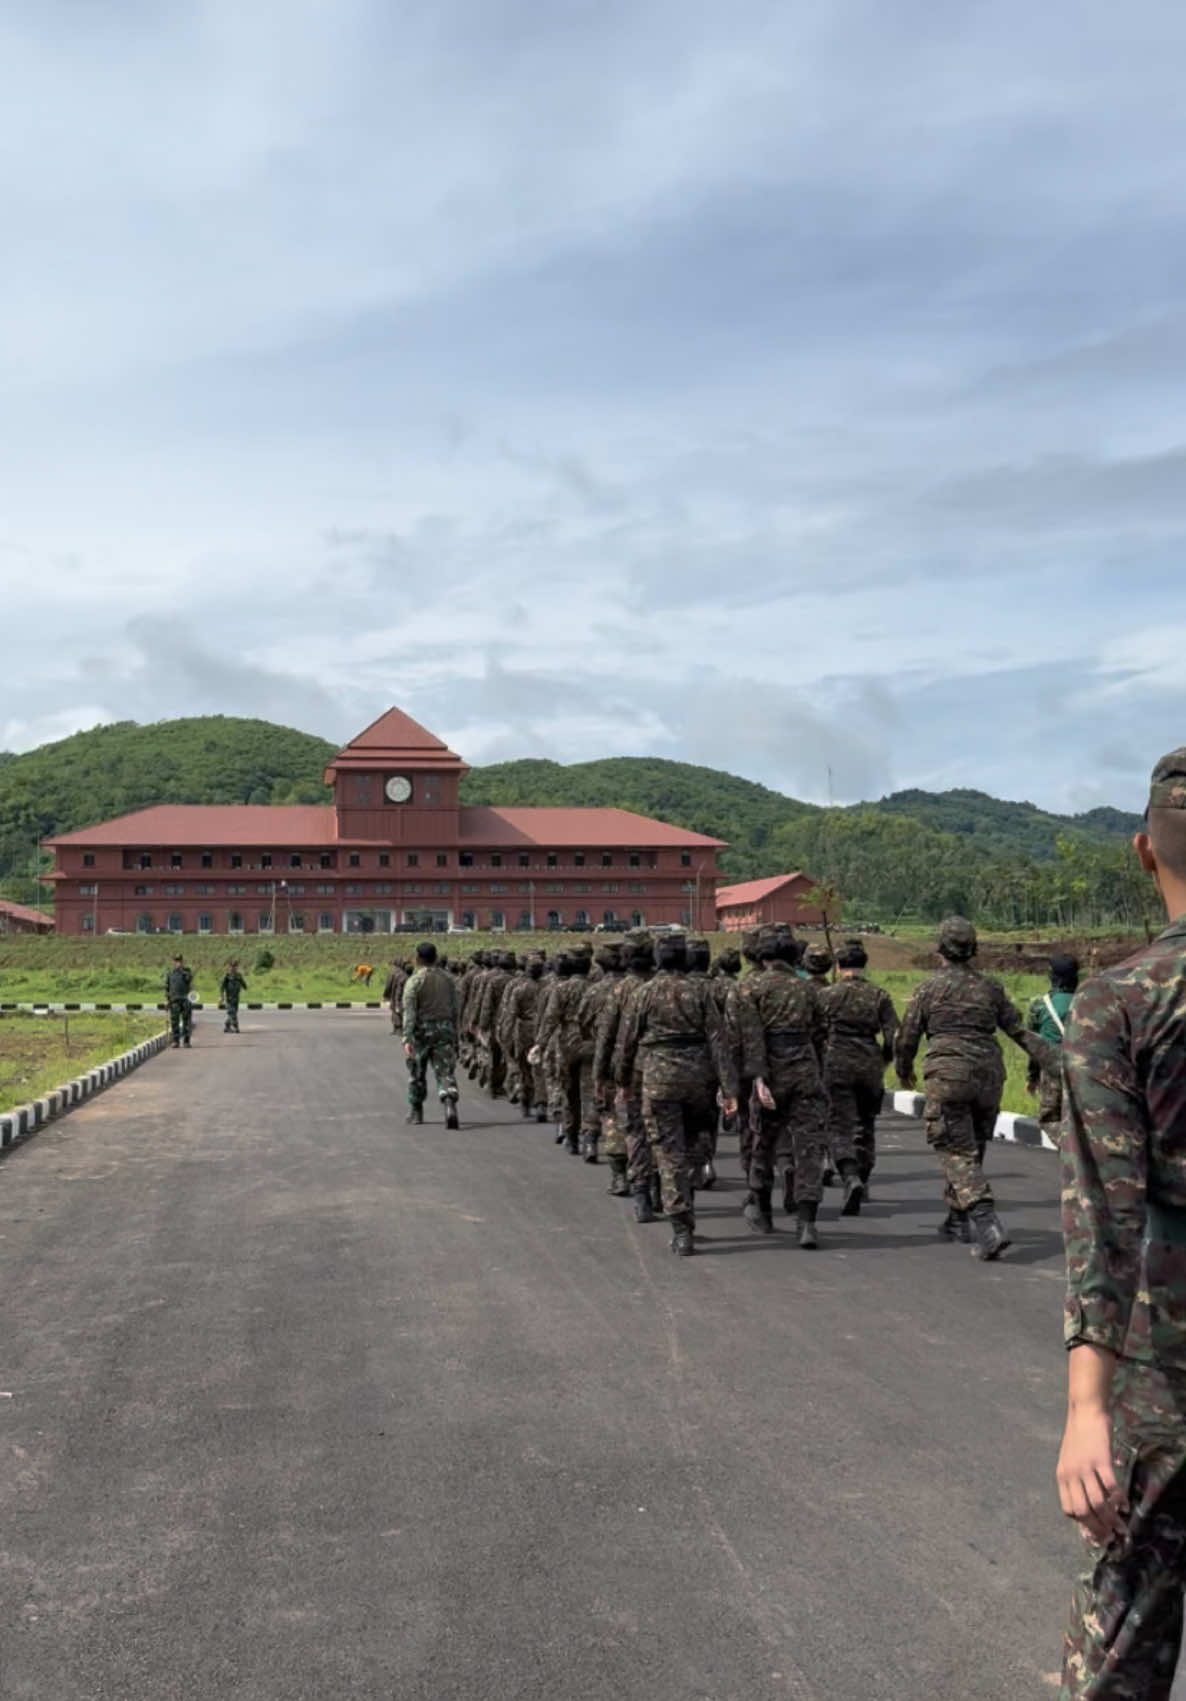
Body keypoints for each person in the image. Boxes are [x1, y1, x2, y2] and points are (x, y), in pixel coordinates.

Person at [1056, 749, 1186, 1699]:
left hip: (1169, 1365)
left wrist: (1085, 1408)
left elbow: (1106, 1212)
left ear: (1145, 853)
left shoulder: (1119, 1001)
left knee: (1128, 1624)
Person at [894, 916, 1049, 1259]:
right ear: (973, 950)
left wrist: (903, 1071)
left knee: (955, 1149)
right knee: (972, 1147)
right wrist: (1059, 1063)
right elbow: (1019, 1031)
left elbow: (907, 1038)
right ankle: (955, 1218)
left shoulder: (928, 989)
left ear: (940, 949)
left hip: (949, 1074)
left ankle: (986, 1221)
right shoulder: (990, 988)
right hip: (989, 1075)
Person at [614, 932, 738, 1256]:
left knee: (669, 1154)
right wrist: (729, 1089)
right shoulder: (700, 993)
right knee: (696, 1147)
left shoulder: (644, 994)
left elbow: (626, 1042)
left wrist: (623, 1081)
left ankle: (682, 1229)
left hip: (659, 1080)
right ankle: (690, 1195)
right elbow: (718, 1041)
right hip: (699, 1079)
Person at [736, 924, 830, 1247]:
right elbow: (820, 1034)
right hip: (805, 1071)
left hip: (770, 1074)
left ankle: (762, 1212)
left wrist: (757, 1078)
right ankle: (807, 1223)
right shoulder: (807, 989)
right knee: (809, 1147)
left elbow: (749, 1038)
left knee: (763, 1141)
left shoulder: (750, 989)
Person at [819, 940, 898, 1207]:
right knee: (865, 1125)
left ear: (839, 966)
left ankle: (850, 1174)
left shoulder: (828, 995)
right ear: (864, 966)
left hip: (836, 1062)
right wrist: (884, 1060)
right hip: (869, 1063)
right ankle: (862, 1179)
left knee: (838, 1125)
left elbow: (815, 1032)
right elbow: (893, 1036)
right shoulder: (879, 995)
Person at [402, 941, 461, 1129]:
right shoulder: (448, 979)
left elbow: (409, 1011)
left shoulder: (414, 981)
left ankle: (416, 1111)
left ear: (418, 959)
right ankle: (449, 1103)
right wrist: (455, 1031)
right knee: (445, 1071)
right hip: (445, 1029)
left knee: (417, 1072)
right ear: (435, 958)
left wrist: (407, 1037)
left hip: (421, 1032)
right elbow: (455, 1008)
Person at [1026, 953, 1079, 1137]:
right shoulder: (1088, 1001)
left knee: (1050, 1119)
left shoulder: (1040, 1006)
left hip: (1053, 1071)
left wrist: (1032, 1078)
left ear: (1052, 977)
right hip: (1084, 1070)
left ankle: (1070, 1153)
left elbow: (1033, 1046)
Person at [164, 954, 194, 1049]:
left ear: (182, 961)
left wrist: (182, 971)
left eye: (180, 961)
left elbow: (189, 980)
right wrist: (166, 1000)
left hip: (185, 1000)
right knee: (174, 1022)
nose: (178, 963)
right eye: (176, 961)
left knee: (186, 1022)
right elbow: (167, 988)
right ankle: (176, 1041)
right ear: (173, 962)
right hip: (174, 1001)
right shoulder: (170, 973)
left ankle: (186, 1041)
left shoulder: (187, 972)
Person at [219, 960, 247, 1034]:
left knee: (233, 1013)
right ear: (229, 967)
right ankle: (235, 1027)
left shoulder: (239, 975)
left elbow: (243, 983)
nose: (233, 968)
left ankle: (227, 1027)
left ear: (237, 967)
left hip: (236, 998)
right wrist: (221, 996)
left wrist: (245, 987)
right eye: (231, 966)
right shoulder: (227, 976)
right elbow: (222, 987)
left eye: (235, 966)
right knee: (232, 1013)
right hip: (229, 998)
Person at [382, 958, 408, 1036]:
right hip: (402, 993)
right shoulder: (403, 973)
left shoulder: (393, 972)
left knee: (395, 1010)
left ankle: (398, 1028)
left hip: (395, 993)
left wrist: (386, 995)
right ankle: (399, 1028)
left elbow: (388, 984)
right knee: (399, 1009)